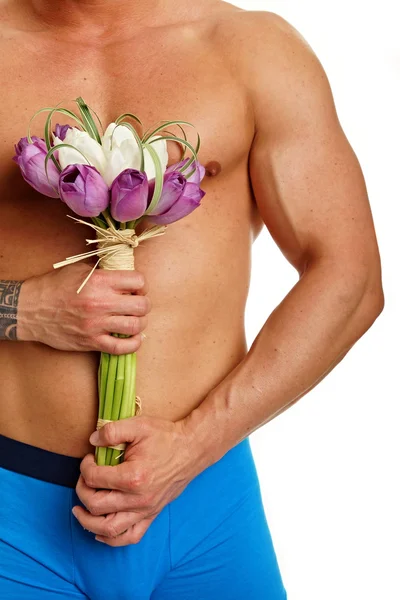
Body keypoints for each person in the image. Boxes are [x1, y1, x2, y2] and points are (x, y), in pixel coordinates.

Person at [0, 0, 384, 598]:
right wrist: (21, 309)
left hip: (204, 501)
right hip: (14, 514)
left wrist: (191, 447)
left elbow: (350, 277)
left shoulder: (248, 49)